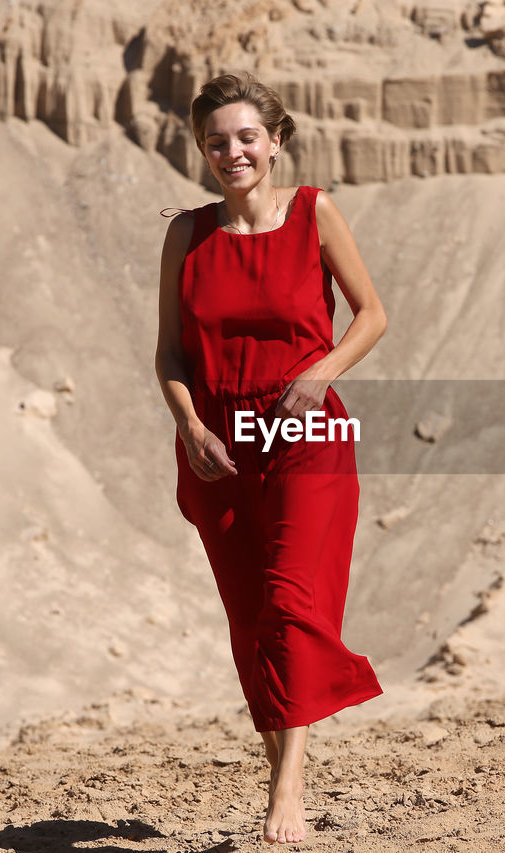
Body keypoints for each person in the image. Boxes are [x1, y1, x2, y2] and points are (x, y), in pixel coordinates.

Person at [154, 72, 387, 845]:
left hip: (305, 433)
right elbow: (169, 353)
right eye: (217, 141)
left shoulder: (316, 213)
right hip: (217, 442)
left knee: (291, 604)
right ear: (203, 151)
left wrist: (321, 372)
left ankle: (286, 791)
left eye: (247, 136)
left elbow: (373, 314)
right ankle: (280, 769)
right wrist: (189, 425)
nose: (233, 152)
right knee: (253, 622)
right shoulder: (186, 234)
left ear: (276, 140)